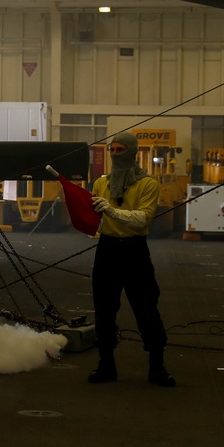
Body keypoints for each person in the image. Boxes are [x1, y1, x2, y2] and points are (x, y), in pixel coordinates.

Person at [88, 131, 175, 387]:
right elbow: (93, 214)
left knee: (146, 307)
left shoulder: (147, 184)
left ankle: (157, 367)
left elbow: (142, 219)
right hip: (108, 250)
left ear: (133, 151)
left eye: (120, 150)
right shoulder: (100, 183)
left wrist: (111, 210)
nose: (115, 155)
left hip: (135, 251)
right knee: (103, 309)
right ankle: (106, 365)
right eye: (112, 150)